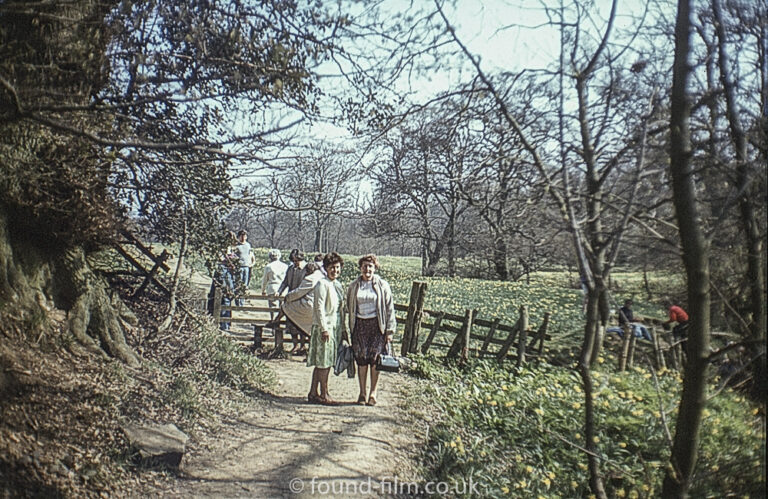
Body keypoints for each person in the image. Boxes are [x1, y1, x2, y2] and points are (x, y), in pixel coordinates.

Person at [346, 254, 396, 407]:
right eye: (365, 266)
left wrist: (389, 330)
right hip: (359, 326)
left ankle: (373, 393)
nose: (367, 269)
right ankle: (362, 393)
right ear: (360, 268)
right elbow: (348, 307)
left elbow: (389, 308)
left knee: (375, 360)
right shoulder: (354, 286)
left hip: (376, 326)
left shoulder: (382, 285)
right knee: (361, 359)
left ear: (375, 268)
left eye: (370, 266)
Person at [306, 252, 345, 405]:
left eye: (337, 267)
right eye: (331, 268)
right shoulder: (322, 284)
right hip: (324, 327)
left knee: (323, 362)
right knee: (324, 363)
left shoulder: (336, 284)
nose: (335, 270)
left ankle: (313, 392)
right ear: (326, 269)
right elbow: (319, 308)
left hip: (334, 326)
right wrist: (324, 329)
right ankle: (324, 394)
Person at [278, 263, 324, 355]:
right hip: (318, 306)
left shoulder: (310, 279)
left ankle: (277, 319)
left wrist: (287, 297)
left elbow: (299, 292)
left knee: (286, 306)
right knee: (312, 330)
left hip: (309, 306)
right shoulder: (322, 276)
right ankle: (311, 351)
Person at [277, 249, 307, 350]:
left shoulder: (306, 269)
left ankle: (303, 346)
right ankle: (295, 344)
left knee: (301, 325)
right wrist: (279, 291)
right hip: (291, 299)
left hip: (302, 300)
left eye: (297, 260)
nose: (295, 263)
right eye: (293, 260)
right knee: (291, 324)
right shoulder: (290, 269)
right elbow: (285, 282)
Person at [261, 249, 288, 320]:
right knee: (283, 308)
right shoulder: (285, 266)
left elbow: (265, 280)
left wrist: (263, 290)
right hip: (283, 289)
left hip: (272, 288)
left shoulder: (268, 266)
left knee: (273, 308)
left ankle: (274, 325)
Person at [234, 230, 252, 306]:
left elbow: (250, 255)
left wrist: (251, 263)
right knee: (238, 284)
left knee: (245, 285)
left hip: (247, 267)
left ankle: (243, 301)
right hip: (239, 267)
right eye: (241, 236)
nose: (243, 237)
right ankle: (238, 302)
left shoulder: (248, 245)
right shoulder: (237, 246)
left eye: (244, 236)